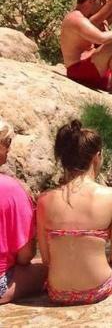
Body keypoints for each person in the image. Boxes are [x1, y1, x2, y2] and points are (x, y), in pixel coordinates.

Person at [36, 120, 112, 306]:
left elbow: (46, 259)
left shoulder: (44, 200)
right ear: (97, 157)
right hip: (97, 289)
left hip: (57, 293)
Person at [0, 119, 46, 305]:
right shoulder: (12, 189)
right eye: (7, 143)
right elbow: (25, 255)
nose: (10, 149)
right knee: (53, 269)